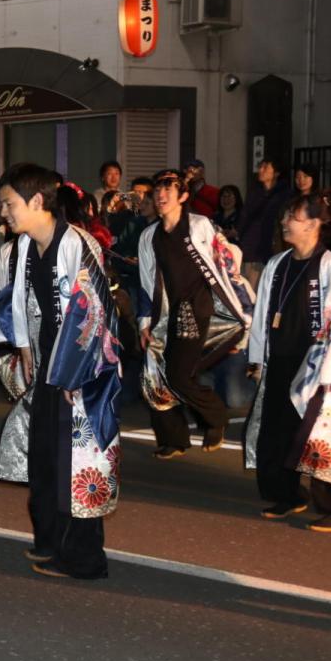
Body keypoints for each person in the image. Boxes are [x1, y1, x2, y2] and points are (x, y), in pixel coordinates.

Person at [0, 163, 122, 580]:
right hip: (47, 369)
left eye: (9, 203)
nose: (3, 212)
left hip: (80, 378)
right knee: (44, 460)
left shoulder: (78, 244)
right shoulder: (26, 246)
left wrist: (72, 374)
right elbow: (17, 301)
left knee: (76, 466)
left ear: (37, 201)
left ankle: (83, 559)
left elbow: (96, 313)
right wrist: (25, 348)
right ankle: (50, 542)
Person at [245, 193, 331, 528]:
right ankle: (288, 494)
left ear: (315, 223)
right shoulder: (277, 263)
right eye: (286, 215)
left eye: (293, 216)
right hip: (281, 359)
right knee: (276, 432)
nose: (285, 222)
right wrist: (257, 359)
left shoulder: (330, 265)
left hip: (317, 366)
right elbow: (262, 315)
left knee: (318, 436)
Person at [138, 169, 253, 459]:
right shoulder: (149, 236)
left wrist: (240, 305)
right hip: (168, 311)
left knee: (178, 375)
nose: (161, 195)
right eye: (157, 190)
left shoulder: (200, 225)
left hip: (198, 307)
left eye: (168, 190)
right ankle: (174, 438)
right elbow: (146, 282)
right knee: (155, 375)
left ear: (183, 196)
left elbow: (228, 261)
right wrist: (144, 321)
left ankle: (216, 417)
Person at [239, 159, 292, 288]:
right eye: (260, 167)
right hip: (250, 249)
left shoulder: (284, 194)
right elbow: (245, 217)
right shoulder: (254, 192)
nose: (260, 170)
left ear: (276, 172)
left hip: (273, 248)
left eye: (265, 167)